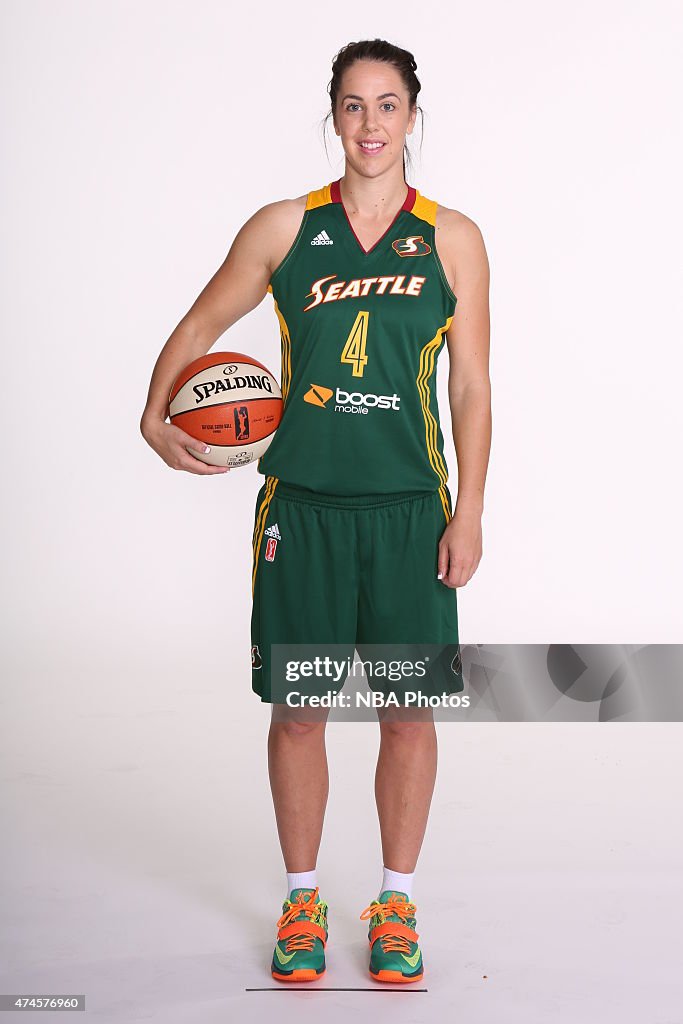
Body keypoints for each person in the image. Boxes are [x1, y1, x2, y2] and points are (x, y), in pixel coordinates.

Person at [140, 38, 491, 986]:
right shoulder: (285, 228)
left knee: (406, 712)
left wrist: (470, 511)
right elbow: (202, 324)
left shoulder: (451, 238)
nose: (369, 124)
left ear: (412, 116)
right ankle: (302, 899)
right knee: (299, 711)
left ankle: (395, 901)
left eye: (386, 105)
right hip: (304, 508)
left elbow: (470, 389)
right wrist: (152, 407)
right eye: (351, 106)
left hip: (411, 509)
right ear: (331, 117)